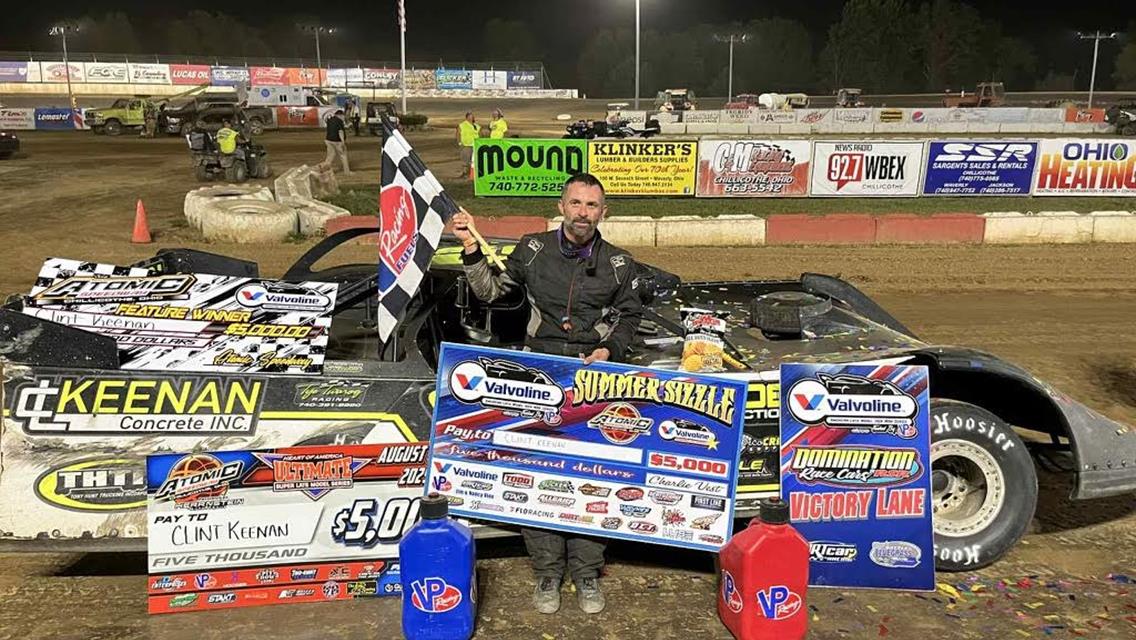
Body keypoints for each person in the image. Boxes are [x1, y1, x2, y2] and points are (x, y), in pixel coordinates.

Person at [451, 173, 642, 616]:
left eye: (592, 205)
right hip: (538, 376)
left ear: (603, 211)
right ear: (561, 206)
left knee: (594, 478)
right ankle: (547, 573)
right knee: (537, 478)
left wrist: (609, 348)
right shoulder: (532, 249)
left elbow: (631, 316)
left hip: (595, 380)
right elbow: (490, 292)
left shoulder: (619, 263)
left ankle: (588, 574)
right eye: (575, 203)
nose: (582, 213)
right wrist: (469, 246)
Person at [323, 109, 350, 174]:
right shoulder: (339, 121)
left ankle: (324, 170)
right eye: (343, 116)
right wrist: (343, 142)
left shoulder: (329, 120)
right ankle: (347, 172)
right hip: (337, 141)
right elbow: (340, 131)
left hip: (328, 140)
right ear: (340, 115)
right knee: (343, 155)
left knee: (330, 157)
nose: (344, 118)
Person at [456, 111, 480, 179]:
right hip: (466, 145)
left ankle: (472, 174)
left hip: (475, 145)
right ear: (466, 117)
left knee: (474, 161)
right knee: (465, 160)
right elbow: (458, 134)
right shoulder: (462, 125)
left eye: (472, 117)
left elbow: (480, 135)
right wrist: (459, 143)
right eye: (469, 116)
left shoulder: (477, 126)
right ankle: (465, 173)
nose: (471, 118)